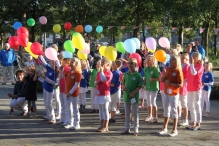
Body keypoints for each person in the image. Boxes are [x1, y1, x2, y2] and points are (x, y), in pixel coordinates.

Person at [159, 55, 183, 137]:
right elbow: (162, 80)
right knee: (166, 109)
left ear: (177, 61)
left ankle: (174, 129)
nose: (171, 61)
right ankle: (164, 128)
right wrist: (164, 75)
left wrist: (171, 84)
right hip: (166, 92)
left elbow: (181, 84)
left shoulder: (178, 71)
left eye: (173, 60)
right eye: (171, 59)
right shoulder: (168, 69)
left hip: (174, 93)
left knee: (174, 110)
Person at [121, 58, 142, 136]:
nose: (130, 65)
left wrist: (133, 93)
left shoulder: (138, 75)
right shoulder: (126, 74)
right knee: (127, 113)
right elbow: (123, 83)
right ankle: (127, 128)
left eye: (132, 63)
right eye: (129, 63)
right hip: (126, 97)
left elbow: (140, 86)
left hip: (134, 97)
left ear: (135, 65)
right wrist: (123, 87)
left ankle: (136, 129)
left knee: (135, 113)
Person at [39, 56, 59, 124]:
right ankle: (48, 116)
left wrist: (45, 78)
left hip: (50, 89)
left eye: (52, 62)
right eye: (50, 62)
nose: (50, 63)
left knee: (49, 103)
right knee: (46, 103)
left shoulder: (55, 72)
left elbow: (53, 82)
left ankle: (53, 118)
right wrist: (40, 55)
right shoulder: (49, 68)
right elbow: (44, 62)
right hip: (45, 87)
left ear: (55, 63)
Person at [186, 52, 204, 130]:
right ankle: (193, 121)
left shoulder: (200, 66)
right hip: (190, 87)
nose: (191, 59)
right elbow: (189, 76)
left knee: (197, 105)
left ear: (197, 58)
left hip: (196, 87)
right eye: (191, 57)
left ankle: (198, 123)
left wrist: (192, 64)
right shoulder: (191, 66)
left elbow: (194, 73)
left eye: (193, 57)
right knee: (191, 105)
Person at [94, 58, 112, 132]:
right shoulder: (98, 73)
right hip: (99, 92)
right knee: (100, 110)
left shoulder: (109, 72)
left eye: (103, 63)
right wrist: (96, 82)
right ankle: (101, 125)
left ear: (107, 65)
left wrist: (101, 72)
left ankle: (106, 126)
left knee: (105, 109)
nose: (101, 65)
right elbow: (96, 80)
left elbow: (104, 79)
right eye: (101, 63)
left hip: (105, 93)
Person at [63, 57, 82, 130]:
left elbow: (76, 84)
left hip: (74, 93)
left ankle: (77, 123)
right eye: (70, 62)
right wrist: (61, 70)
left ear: (76, 64)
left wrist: (70, 92)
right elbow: (62, 77)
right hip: (67, 92)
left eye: (72, 62)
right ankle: (70, 122)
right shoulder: (68, 71)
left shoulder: (78, 73)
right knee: (69, 108)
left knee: (75, 108)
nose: (71, 63)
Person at [143, 55, 160, 123]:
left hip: (154, 88)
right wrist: (143, 84)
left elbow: (159, 78)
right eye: (147, 59)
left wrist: (153, 79)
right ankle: (149, 115)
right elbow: (145, 78)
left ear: (153, 61)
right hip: (148, 87)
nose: (147, 61)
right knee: (148, 102)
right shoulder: (146, 69)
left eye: (149, 60)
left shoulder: (155, 69)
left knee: (153, 102)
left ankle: (155, 117)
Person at [56, 58, 71, 125]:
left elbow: (62, 76)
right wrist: (57, 84)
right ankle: (63, 119)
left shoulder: (68, 69)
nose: (62, 63)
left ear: (68, 63)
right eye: (62, 62)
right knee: (63, 104)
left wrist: (61, 70)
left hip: (66, 89)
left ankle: (67, 120)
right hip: (62, 88)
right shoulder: (63, 69)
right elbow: (60, 78)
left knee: (66, 105)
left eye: (64, 62)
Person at [178, 53, 190, 126]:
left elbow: (186, 78)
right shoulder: (181, 66)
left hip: (183, 87)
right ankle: (179, 117)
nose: (182, 59)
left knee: (184, 104)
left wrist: (181, 83)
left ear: (187, 59)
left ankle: (185, 119)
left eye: (183, 58)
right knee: (178, 103)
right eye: (181, 58)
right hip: (178, 87)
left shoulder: (187, 67)